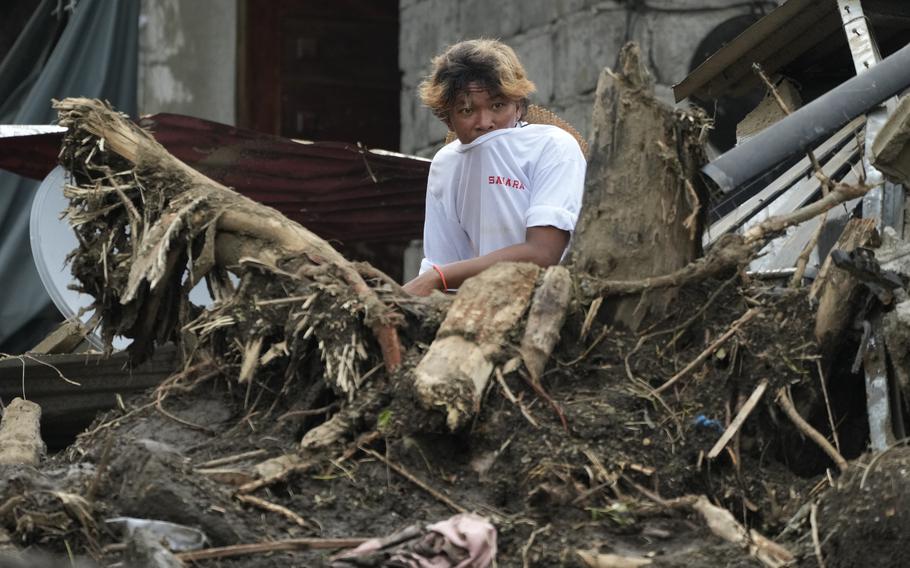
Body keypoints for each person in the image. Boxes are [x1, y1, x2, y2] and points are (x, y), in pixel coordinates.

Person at [402, 39, 586, 296]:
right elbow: (442, 264)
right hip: (476, 308)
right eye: (467, 110)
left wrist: (438, 278)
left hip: (554, 302)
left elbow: (544, 253)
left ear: (519, 107)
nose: (485, 122)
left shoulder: (552, 146)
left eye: (498, 106)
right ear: (448, 119)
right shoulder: (446, 165)